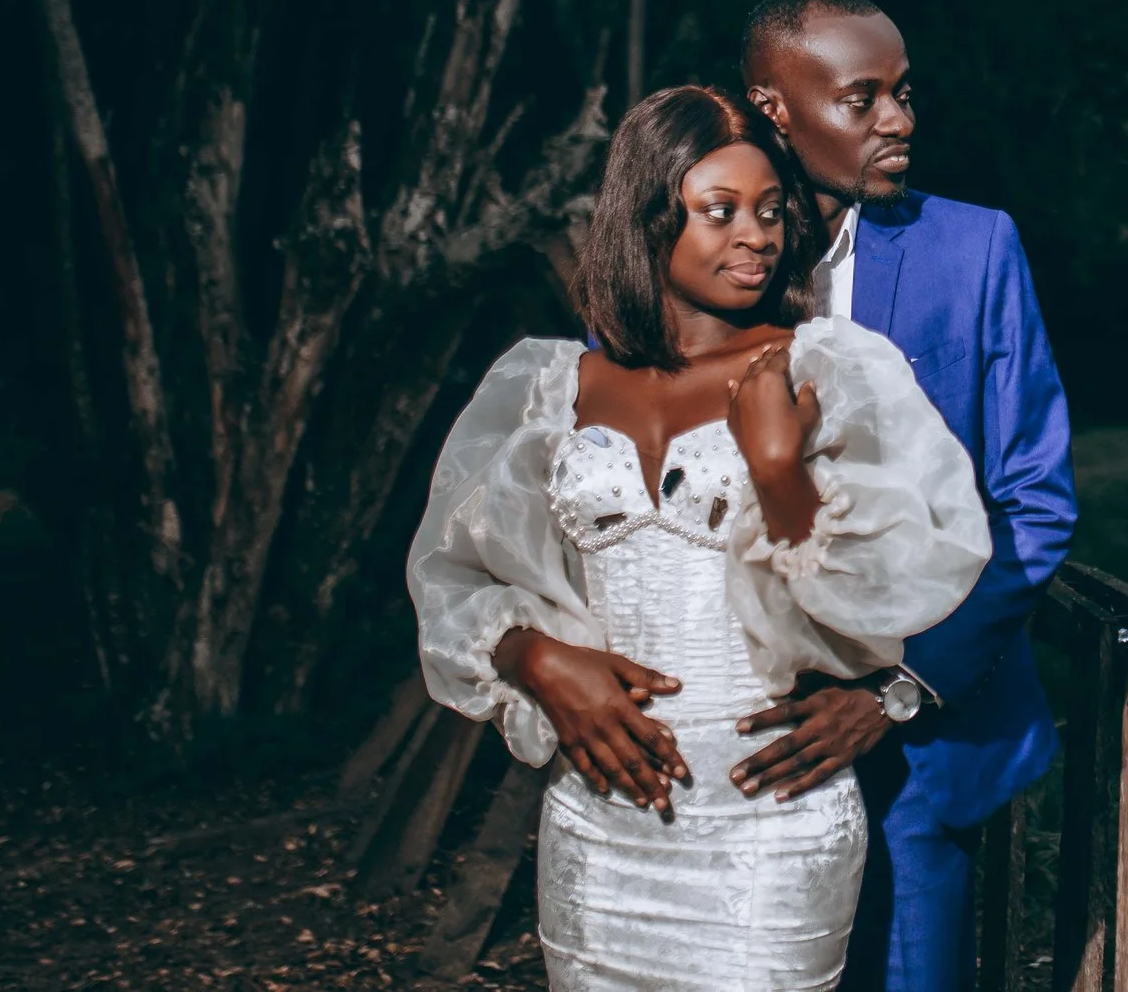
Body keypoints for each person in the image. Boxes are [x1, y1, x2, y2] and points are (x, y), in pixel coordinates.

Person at [407, 85, 990, 991]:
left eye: (768, 210)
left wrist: (776, 468)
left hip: (771, 831)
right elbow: (454, 569)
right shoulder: (547, 386)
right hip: (598, 832)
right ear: (649, 217)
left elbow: (895, 585)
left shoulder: (827, 368)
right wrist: (534, 657)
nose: (756, 234)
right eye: (721, 211)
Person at [735, 0, 1078, 992]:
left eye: (905, 93)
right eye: (862, 97)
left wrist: (899, 688)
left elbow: (1035, 501)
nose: (898, 121)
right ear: (774, 108)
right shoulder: (691, 252)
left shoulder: (975, 249)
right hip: (738, 738)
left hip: (923, 746)